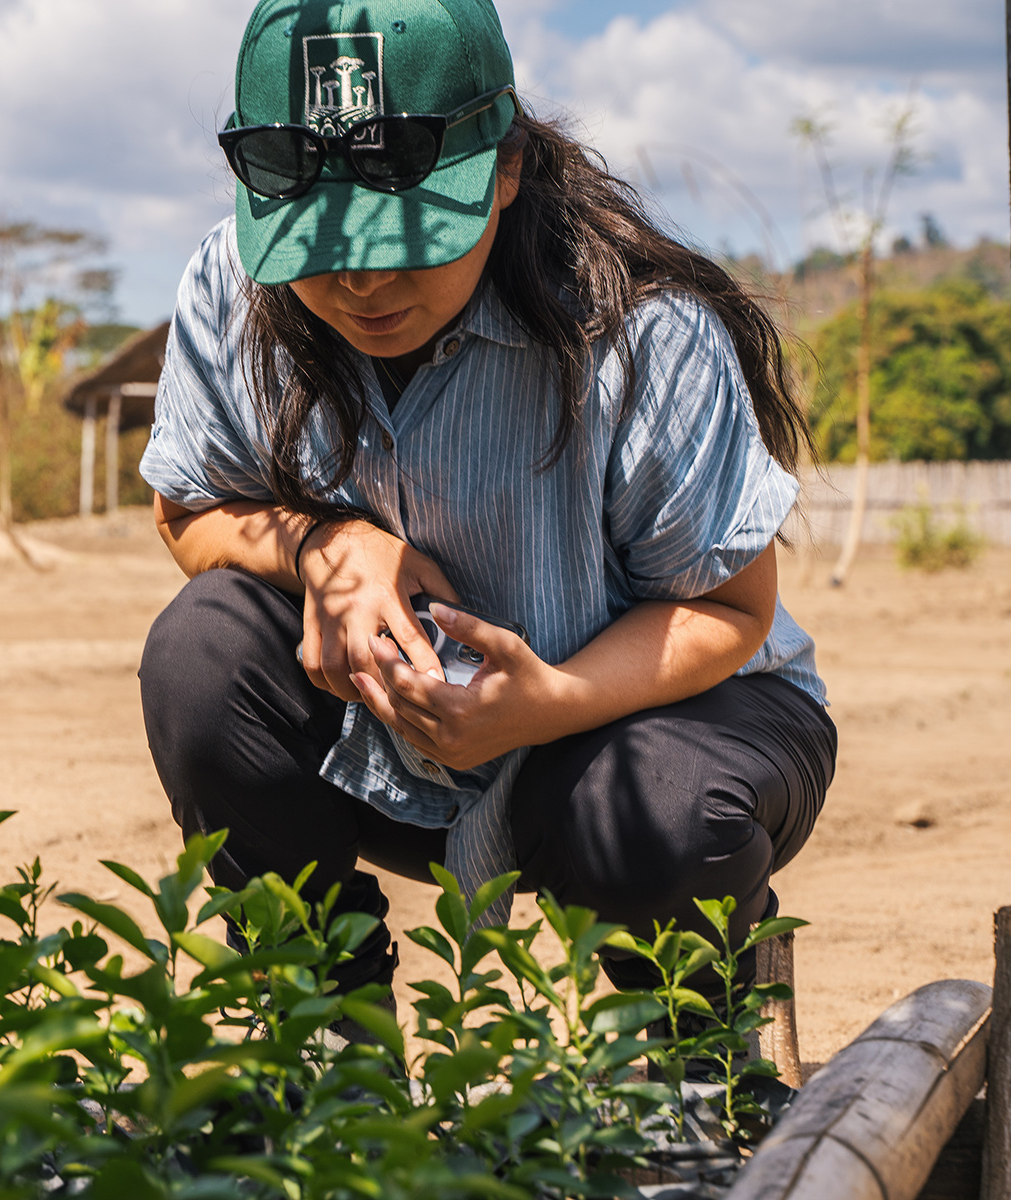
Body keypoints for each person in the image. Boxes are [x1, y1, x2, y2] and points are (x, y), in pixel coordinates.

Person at [137, 0, 836, 999]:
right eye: (319, 246)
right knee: (201, 650)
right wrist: (321, 544)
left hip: (642, 731)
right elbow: (187, 512)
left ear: (505, 168)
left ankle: (700, 1043)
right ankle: (329, 1038)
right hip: (398, 749)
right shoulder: (232, 287)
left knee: (664, 803)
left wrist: (550, 704)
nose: (362, 284)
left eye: (405, 239)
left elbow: (730, 610)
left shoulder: (643, 331)